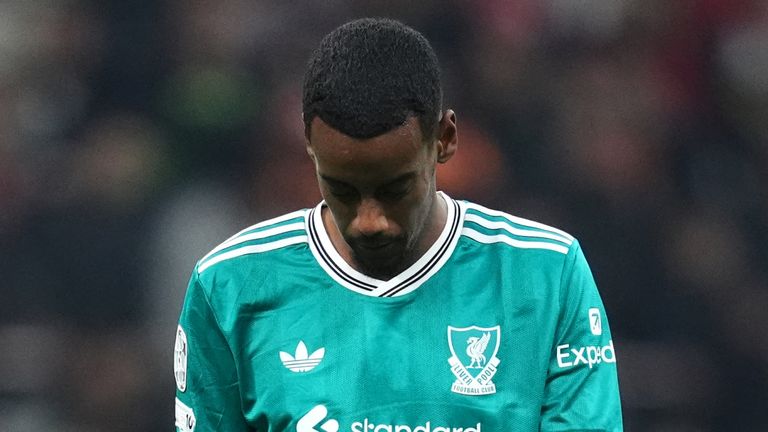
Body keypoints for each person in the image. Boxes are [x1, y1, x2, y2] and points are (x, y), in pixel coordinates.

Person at [174, 18, 623, 432]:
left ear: (444, 140)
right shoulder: (231, 286)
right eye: (343, 190)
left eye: (394, 190)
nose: (370, 222)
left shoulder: (545, 274)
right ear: (309, 146)